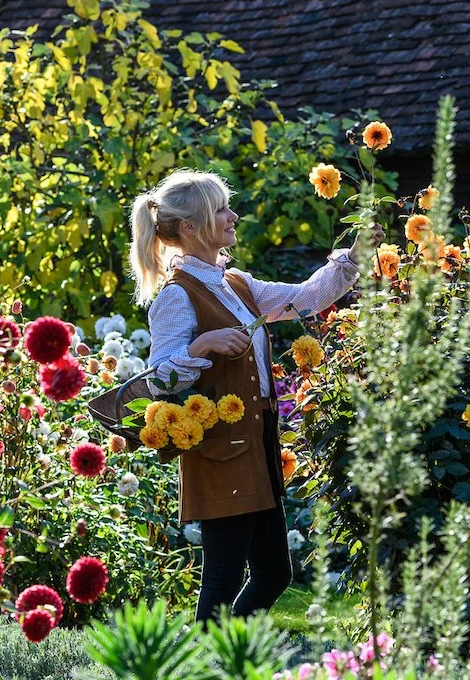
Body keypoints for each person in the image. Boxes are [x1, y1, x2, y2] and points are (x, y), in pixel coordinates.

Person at [128, 168, 378, 622]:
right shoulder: (177, 297)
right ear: (190, 227)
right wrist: (202, 346)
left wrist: (353, 258)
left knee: (274, 574)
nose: (233, 215)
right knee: (222, 582)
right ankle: (207, 667)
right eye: (221, 209)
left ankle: (223, 658)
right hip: (221, 453)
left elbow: (305, 297)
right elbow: (157, 380)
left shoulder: (236, 284)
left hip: (258, 444)